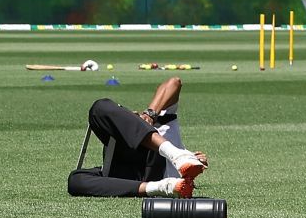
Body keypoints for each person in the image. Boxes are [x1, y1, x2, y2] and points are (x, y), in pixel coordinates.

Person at [67, 76, 208, 198]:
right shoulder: (141, 124)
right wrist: (147, 116)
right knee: (75, 179)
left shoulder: (161, 123)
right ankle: (161, 185)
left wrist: (149, 115)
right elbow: (173, 83)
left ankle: (173, 161)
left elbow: (175, 82)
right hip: (130, 177)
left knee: (100, 107)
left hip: (159, 165)